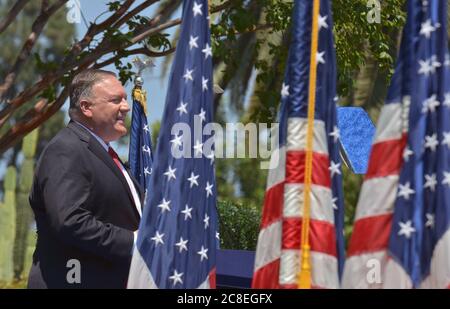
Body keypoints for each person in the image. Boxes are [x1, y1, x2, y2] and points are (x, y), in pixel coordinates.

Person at [28, 69, 143, 288]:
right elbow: (70, 221)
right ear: (86, 107)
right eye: (115, 100)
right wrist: (136, 241)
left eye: (125, 99)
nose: (126, 107)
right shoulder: (66, 149)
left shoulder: (106, 155)